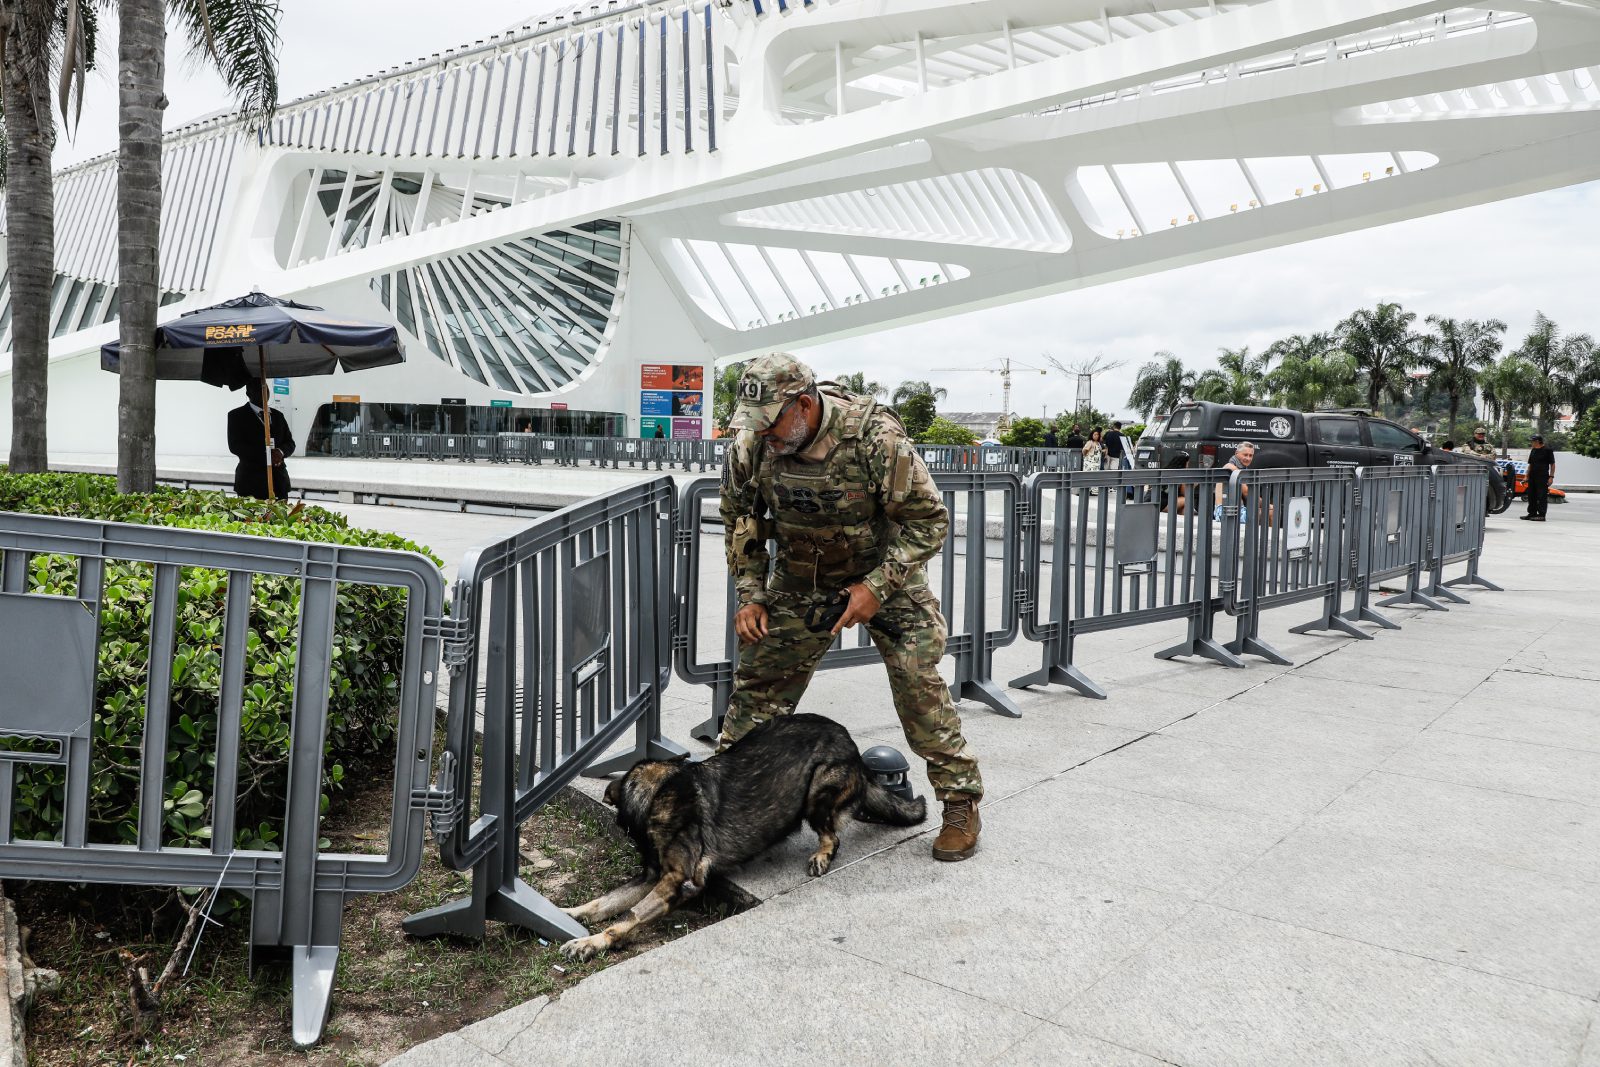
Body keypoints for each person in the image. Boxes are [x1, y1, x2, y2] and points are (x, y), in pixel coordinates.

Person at [719, 353, 984, 862]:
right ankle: (727, 804)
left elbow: (930, 521)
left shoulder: (875, 438)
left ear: (803, 404)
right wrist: (751, 595)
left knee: (917, 683)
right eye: (754, 424)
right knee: (757, 691)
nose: (762, 435)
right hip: (801, 578)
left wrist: (877, 586)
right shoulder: (754, 442)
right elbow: (740, 521)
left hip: (889, 575)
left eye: (771, 423)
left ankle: (960, 801)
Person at [227, 380, 295, 499]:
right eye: (259, 389)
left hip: (279, 483)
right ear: (248, 393)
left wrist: (280, 452)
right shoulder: (236, 415)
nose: (264, 393)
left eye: (266, 389)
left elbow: (290, 443)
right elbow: (235, 446)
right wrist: (267, 455)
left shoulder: (278, 416)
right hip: (250, 483)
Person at [1213, 440, 1255, 519]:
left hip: (1237, 511)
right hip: (1225, 512)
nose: (1248, 458)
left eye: (1251, 455)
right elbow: (1247, 492)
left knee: (1269, 511)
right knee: (1269, 512)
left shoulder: (1242, 469)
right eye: (1245, 455)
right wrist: (1266, 504)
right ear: (1236, 453)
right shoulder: (1230, 466)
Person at [1523, 434, 1555, 522]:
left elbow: (1552, 464)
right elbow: (1530, 464)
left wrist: (1551, 477)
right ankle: (1532, 513)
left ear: (1537, 441)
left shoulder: (1547, 450)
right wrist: (1526, 476)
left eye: (1532, 441)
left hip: (1542, 476)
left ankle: (1541, 515)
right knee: (1531, 495)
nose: (1531, 443)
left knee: (1541, 496)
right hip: (1532, 476)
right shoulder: (1533, 450)